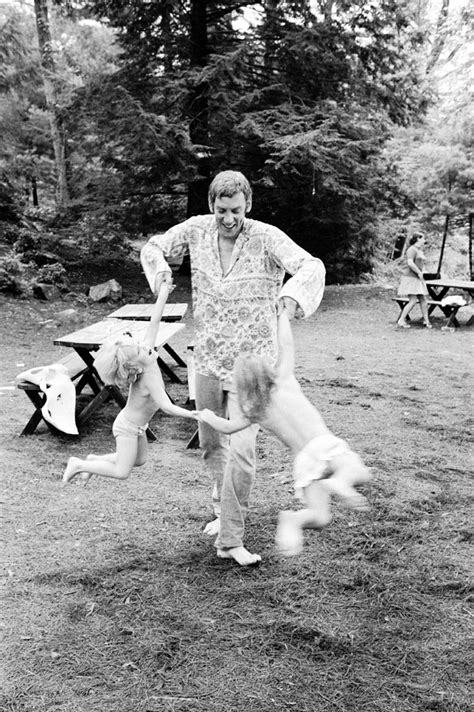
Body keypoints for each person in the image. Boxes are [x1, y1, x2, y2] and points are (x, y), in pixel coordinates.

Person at [141, 169, 325, 565]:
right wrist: (160, 272)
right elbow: (154, 247)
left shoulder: (266, 236)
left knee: (241, 449)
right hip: (206, 358)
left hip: (251, 367)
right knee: (211, 444)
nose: (229, 218)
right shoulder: (196, 230)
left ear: (248, 206)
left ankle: (231, 539)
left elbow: (311, 266)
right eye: (222, 210)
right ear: (211, 206)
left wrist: (290, 298)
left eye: (236, 210)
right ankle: (221, 508)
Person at [197, 309, 370, 557]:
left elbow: (226, 427)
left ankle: (293, 520)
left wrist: (208, 416)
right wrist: (284, 315)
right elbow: (286, 344)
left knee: (319, 516)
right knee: (359, 471)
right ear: (267, 368)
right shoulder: (285, 379)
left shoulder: (253, 410)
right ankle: (341, 481)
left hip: (304, 463)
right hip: (323, 445)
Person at [62, 284, 198, 484]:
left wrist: (163, 293)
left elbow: (154, 323)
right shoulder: (148, 377)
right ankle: (79, 464)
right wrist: (193, 414)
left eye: (141, 346)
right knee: (121, 471)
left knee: (140, 460)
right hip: (127, 427)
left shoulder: (146, 359)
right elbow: (166, 406)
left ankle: (94, 460)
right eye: (140, 350)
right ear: (134, 366)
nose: (146, 347)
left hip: (138, 425)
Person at [397, 233, 432, 329]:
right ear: (418, 239)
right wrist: (419, 272)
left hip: (418, 278)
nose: (424, 240)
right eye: (423, 238)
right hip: (410, 277)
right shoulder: (411, 249)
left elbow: (420, 263)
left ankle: (426, 321)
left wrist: (423, 271)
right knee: (413, 300)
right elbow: (410, 263)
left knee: (423, 299)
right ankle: (401, 320)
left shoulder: (419, 250)